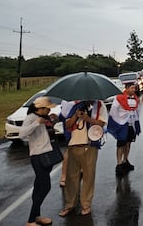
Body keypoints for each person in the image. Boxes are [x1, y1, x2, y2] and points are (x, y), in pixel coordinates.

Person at [59, 100, 107, 217]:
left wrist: (87, 118)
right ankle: (69, 204)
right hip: (73, 145)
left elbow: (101, 124)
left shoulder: (99, 105)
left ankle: (86, 204)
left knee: (88, 176)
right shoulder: (75, 107)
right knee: (71, 177)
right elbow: (68, 125)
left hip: (90, 145)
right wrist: (76, 115)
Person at [18, 97, 58, 226]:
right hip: (38, 156)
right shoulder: (31, 117)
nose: (48, 110)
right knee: (45, 187)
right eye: (47, 108)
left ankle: (37, 216)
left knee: (38, 187)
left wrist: (52, 121)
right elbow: (22, 134)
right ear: (40, 109)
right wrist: (36, 122)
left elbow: (46, 133)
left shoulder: (44, 117)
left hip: (47, 154)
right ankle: (30, 220)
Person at [108, 82, 142, 175]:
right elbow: (113, 111)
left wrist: (137, 122)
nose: (134, 90)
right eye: (132, 88)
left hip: (131, 124)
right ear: (126, 88)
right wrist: (118, 122)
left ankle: (125, 160)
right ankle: (118, 163)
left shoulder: (135, 99)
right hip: (122, 124)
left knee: (128, 143)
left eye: (134, 88)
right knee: (121, 144)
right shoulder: (119, 98)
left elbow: (137, 111)